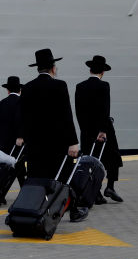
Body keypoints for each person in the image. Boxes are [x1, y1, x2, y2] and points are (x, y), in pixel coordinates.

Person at [16, 48, 88, 222]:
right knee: (64, 178)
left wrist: (23, 137)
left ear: (38, 68)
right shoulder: (59, 85)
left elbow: (23, 116)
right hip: (56, 145)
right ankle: (72, 210)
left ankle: (33, 209)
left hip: (34, 145)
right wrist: (73, 142)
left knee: (35, 179)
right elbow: (66, 115)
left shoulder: (27, 88)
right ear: (53, 68)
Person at [75, 55, 125, 203]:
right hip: (103, 129)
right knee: (113, 157)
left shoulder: (80, 86)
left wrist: (84, 130)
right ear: (102, 72)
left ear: (90, 70)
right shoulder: (104, 86)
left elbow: (79, 111)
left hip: (87, 131)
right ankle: (110, 187)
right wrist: (103, 130)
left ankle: (95, 192)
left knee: (91, 161)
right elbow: (105, 109)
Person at [0, 75, 26, 186]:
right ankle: (24, 191)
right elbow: (23, 122)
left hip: (4, 143)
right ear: (20, 90)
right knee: (20, 169)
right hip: (18, 144)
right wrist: (21, 136)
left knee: (4, 169)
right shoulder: (22, 102)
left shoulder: (2, 103)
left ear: (7, 90)